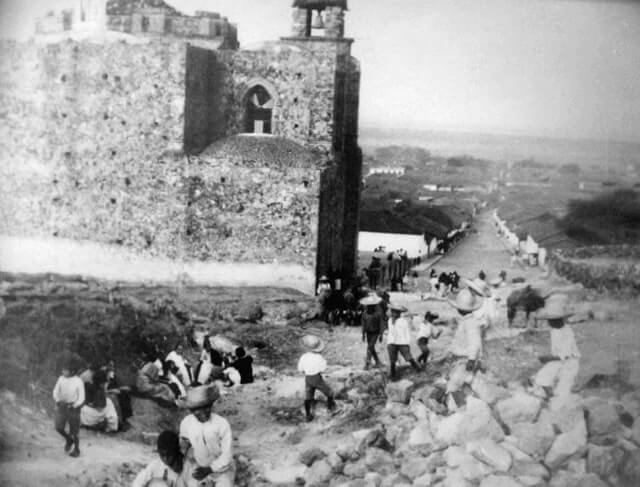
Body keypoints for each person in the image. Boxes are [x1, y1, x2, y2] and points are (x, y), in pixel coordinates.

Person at [179, 385, 235, 487]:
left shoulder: (221, 424)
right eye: (197, 409)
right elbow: (185, 446)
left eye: (206, 407)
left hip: (222, 470)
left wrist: (210, 469)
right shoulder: (187, 423)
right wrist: (190, 464)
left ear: (211, 406)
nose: (203, 412)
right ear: (191, 411)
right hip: (200, 467)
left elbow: (227, 455)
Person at [532, 295, 580, 401]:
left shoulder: (567, 332)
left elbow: (565, 355)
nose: (552, 323)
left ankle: (557, 396)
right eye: (550, 320)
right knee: (541, 377)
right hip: (557, 361)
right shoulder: (554, 331)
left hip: (569, 362)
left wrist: (547, 358)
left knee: (563, 390)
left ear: (561, 320)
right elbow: (556, 352)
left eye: (555, 320)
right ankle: (549, 394)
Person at [297, 334, 336, 422]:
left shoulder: (303, 357)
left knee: (308, 396)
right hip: (316, 378)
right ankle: (330, 409)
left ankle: (308, 415)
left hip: (308, 378)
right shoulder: (319, 357)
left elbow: (300, 369)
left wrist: (307, 371)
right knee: (330, 392)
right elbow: (323, 369)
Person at [52, 352, 85, 457]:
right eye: (63, 369)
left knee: (74, 430)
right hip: (62, 406)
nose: (63, 371)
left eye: (65, 370)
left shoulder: (78, 381)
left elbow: (81, 398)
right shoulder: (61, 379)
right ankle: (68, 439)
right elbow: (55, 391)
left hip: (73, 408)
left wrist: (74, 405)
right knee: (58, 427)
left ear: (72, 371)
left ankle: (77, 449)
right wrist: (57, 400)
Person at [448, 288, 487, 373]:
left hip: (465, 359)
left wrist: (471, 360)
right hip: (460, 357)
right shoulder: (465, 321)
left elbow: (475, 342)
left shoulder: (470, 323)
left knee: (457, 381)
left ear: (459, 309)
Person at [385, 304, 421, 380]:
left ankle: (418, 369)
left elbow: (406, 332)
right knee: (392, 360)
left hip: (402, 342)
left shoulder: (403, 321)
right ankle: (393, 375)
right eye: (393, 312)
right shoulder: (389, 321)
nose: (394, 314)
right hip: (391, 342)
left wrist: (407, 342)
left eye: (396, 312)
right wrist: (389, 341)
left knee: (408, 357)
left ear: (399, 313)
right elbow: (390, 332)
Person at [80, 368, 119, 433]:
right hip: (94, 414)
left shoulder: (87, 385)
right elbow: (99, 408)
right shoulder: (100, 391)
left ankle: (84, 423)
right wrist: (92, 405)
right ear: (102, 383)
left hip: (85, 411)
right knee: (109, 403)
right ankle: (111, 426)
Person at [360, 294, 385, 370]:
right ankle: (377, 361)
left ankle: (367, 362)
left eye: (372, 306)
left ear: (374, 306)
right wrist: (363, 334)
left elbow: (381, 324)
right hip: (368, 333)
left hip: (375, 333)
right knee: (371, 347)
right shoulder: (364, 314)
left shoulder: (378, 314)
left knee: (370, 346)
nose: (370, 307)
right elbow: (363, 325)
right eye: (368, 306)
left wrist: (381, 334)